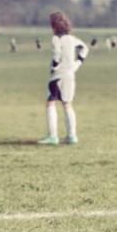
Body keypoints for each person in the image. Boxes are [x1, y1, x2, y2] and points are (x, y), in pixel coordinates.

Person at [37, 11, 89, 145]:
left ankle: (53, 137)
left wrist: (54, 65)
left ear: (54, 25)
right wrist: (77, 63)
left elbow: (57, 53)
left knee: (50, 103)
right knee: (67, 104)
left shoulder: (56, 38)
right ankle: (72, 136)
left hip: (58, 76)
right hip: (70, 75)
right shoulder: (72, 39)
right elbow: (85, 48)